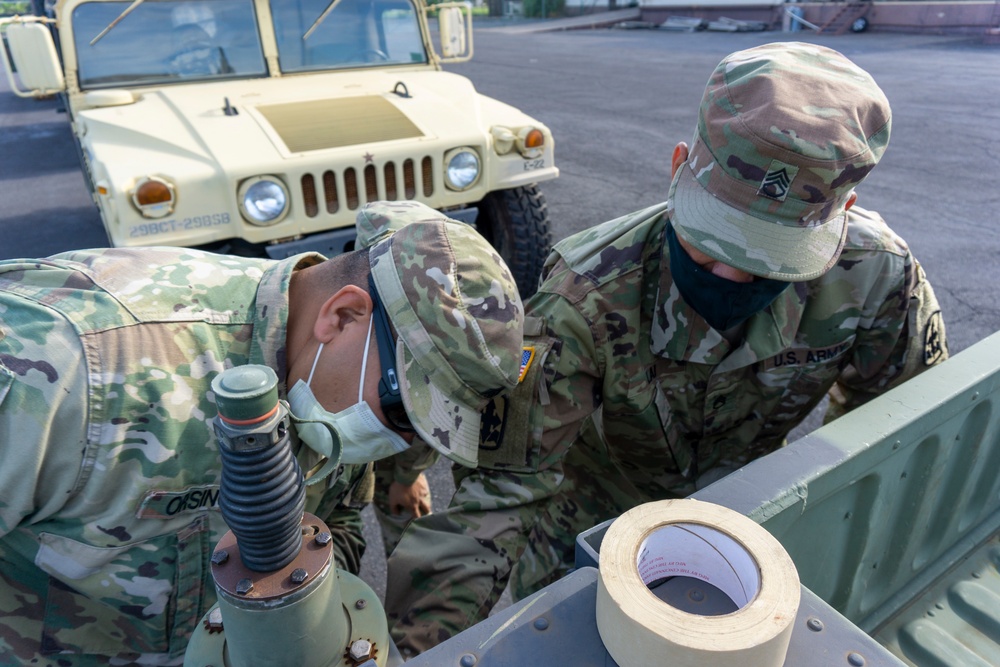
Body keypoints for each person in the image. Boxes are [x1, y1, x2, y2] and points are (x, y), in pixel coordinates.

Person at [381, 42, 950, 656]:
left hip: (753, 538)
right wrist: (416, 648)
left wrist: (820, 520)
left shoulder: (876, 275)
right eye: (711, 244)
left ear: (843, 214)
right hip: (589, 537)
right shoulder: (586, 293)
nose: (730, 280)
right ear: (678, 166)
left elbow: (894, 429)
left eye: (769, 261)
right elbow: (505, 488)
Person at [0, 201, 524, 664]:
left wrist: (297, 628)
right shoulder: (66, 365)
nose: (403, 443)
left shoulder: (333, 376)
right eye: (407, 415)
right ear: (343, 315)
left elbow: (334, 519)